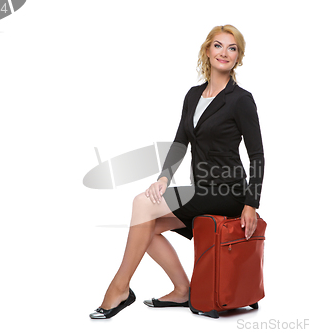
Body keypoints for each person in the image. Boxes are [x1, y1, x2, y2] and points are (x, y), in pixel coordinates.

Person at [89, 24, 265, 319]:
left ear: (238, 57)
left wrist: (251, 202)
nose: (224, 53)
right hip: (202, 189)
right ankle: (183, 289)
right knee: (146, 229)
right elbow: (181, 141)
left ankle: (119, 288)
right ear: (207, 51)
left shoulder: (240, 99)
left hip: (228, 191)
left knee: (141, 205)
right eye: (218, 46)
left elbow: (257, 154)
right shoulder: (193, 95)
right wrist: (163, 178)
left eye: (232, 48)